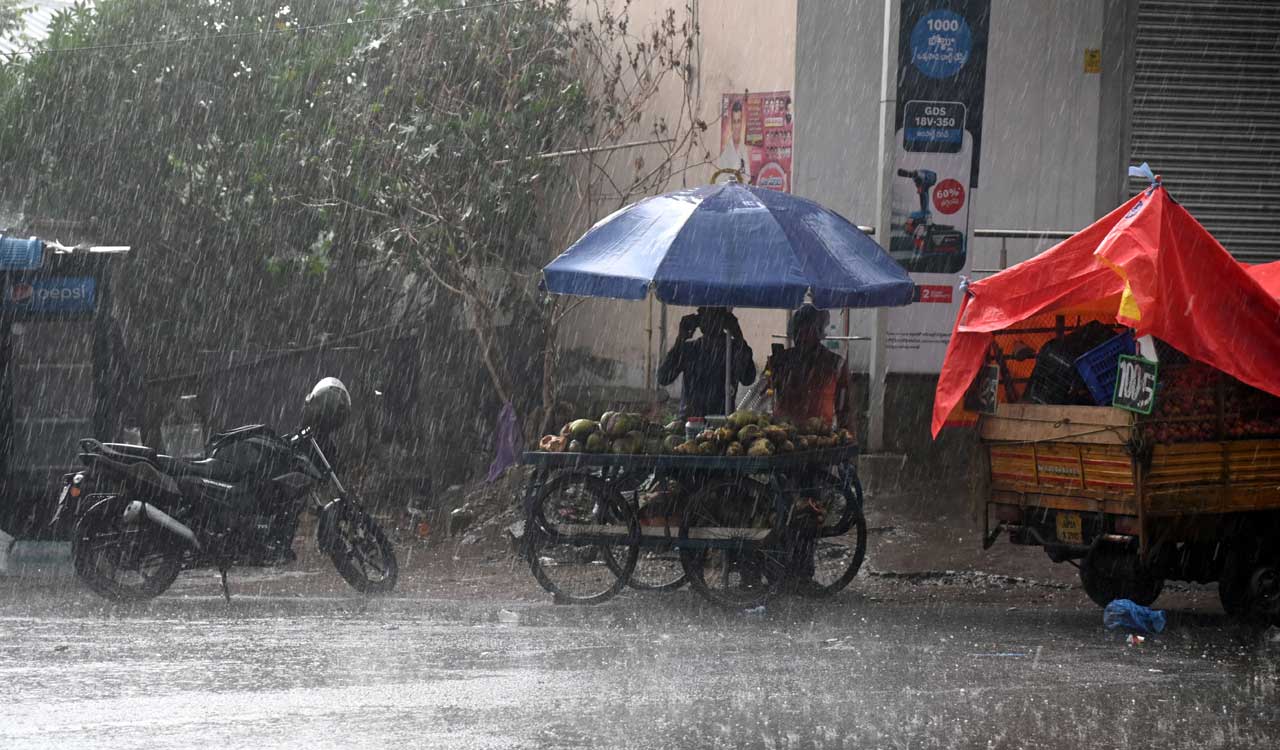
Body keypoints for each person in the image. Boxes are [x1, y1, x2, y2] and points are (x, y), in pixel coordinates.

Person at [658, 307, 756, 419]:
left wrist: (738, 335)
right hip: (692, 421)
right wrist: (681, 338)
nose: (704, 319)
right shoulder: (690, 350)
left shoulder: (733, 350)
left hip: (722, 424)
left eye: (709, 314)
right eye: (701, 314)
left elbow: (748, 378)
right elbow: (663, 378)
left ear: (723, 320)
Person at [766, 304, 849, 430]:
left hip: (819, 438)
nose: (800, 337)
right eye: (797, 332)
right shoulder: (781, 361)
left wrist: (847, 439)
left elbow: (844, 409)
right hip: (784, 435)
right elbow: (762, 397)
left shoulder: (835, 364)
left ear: (819, 332)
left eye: (806, 331)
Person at [717, 98, 751, 182]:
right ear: (731, 123)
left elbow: (748, 177)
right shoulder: (725, 150)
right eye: (734, 122)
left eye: (738, 121)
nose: (736, 126)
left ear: (741, 122)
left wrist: (741, 178)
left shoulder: (744, 149)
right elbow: (719, 178)